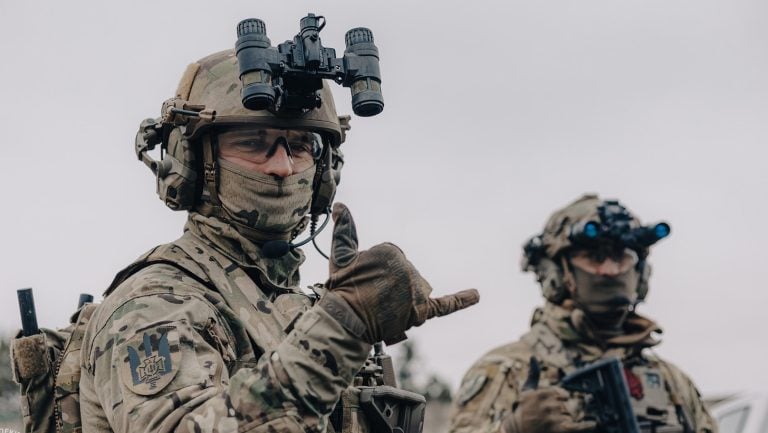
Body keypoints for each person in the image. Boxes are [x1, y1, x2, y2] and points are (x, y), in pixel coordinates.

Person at [74, 41, 479, 433]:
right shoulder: (151, 304)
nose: (283, 167)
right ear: (192, 162)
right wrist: (341, 330)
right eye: (254, 143)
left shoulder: (295, 307)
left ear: (326, 172)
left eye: (301, 146)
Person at [448, 194, 717, 433]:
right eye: (595, 257)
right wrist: (513, 430)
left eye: (621, 257)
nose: (611, 270)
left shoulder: (671, 381)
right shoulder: (508, 369)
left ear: (641, 273)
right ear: (556, 274)